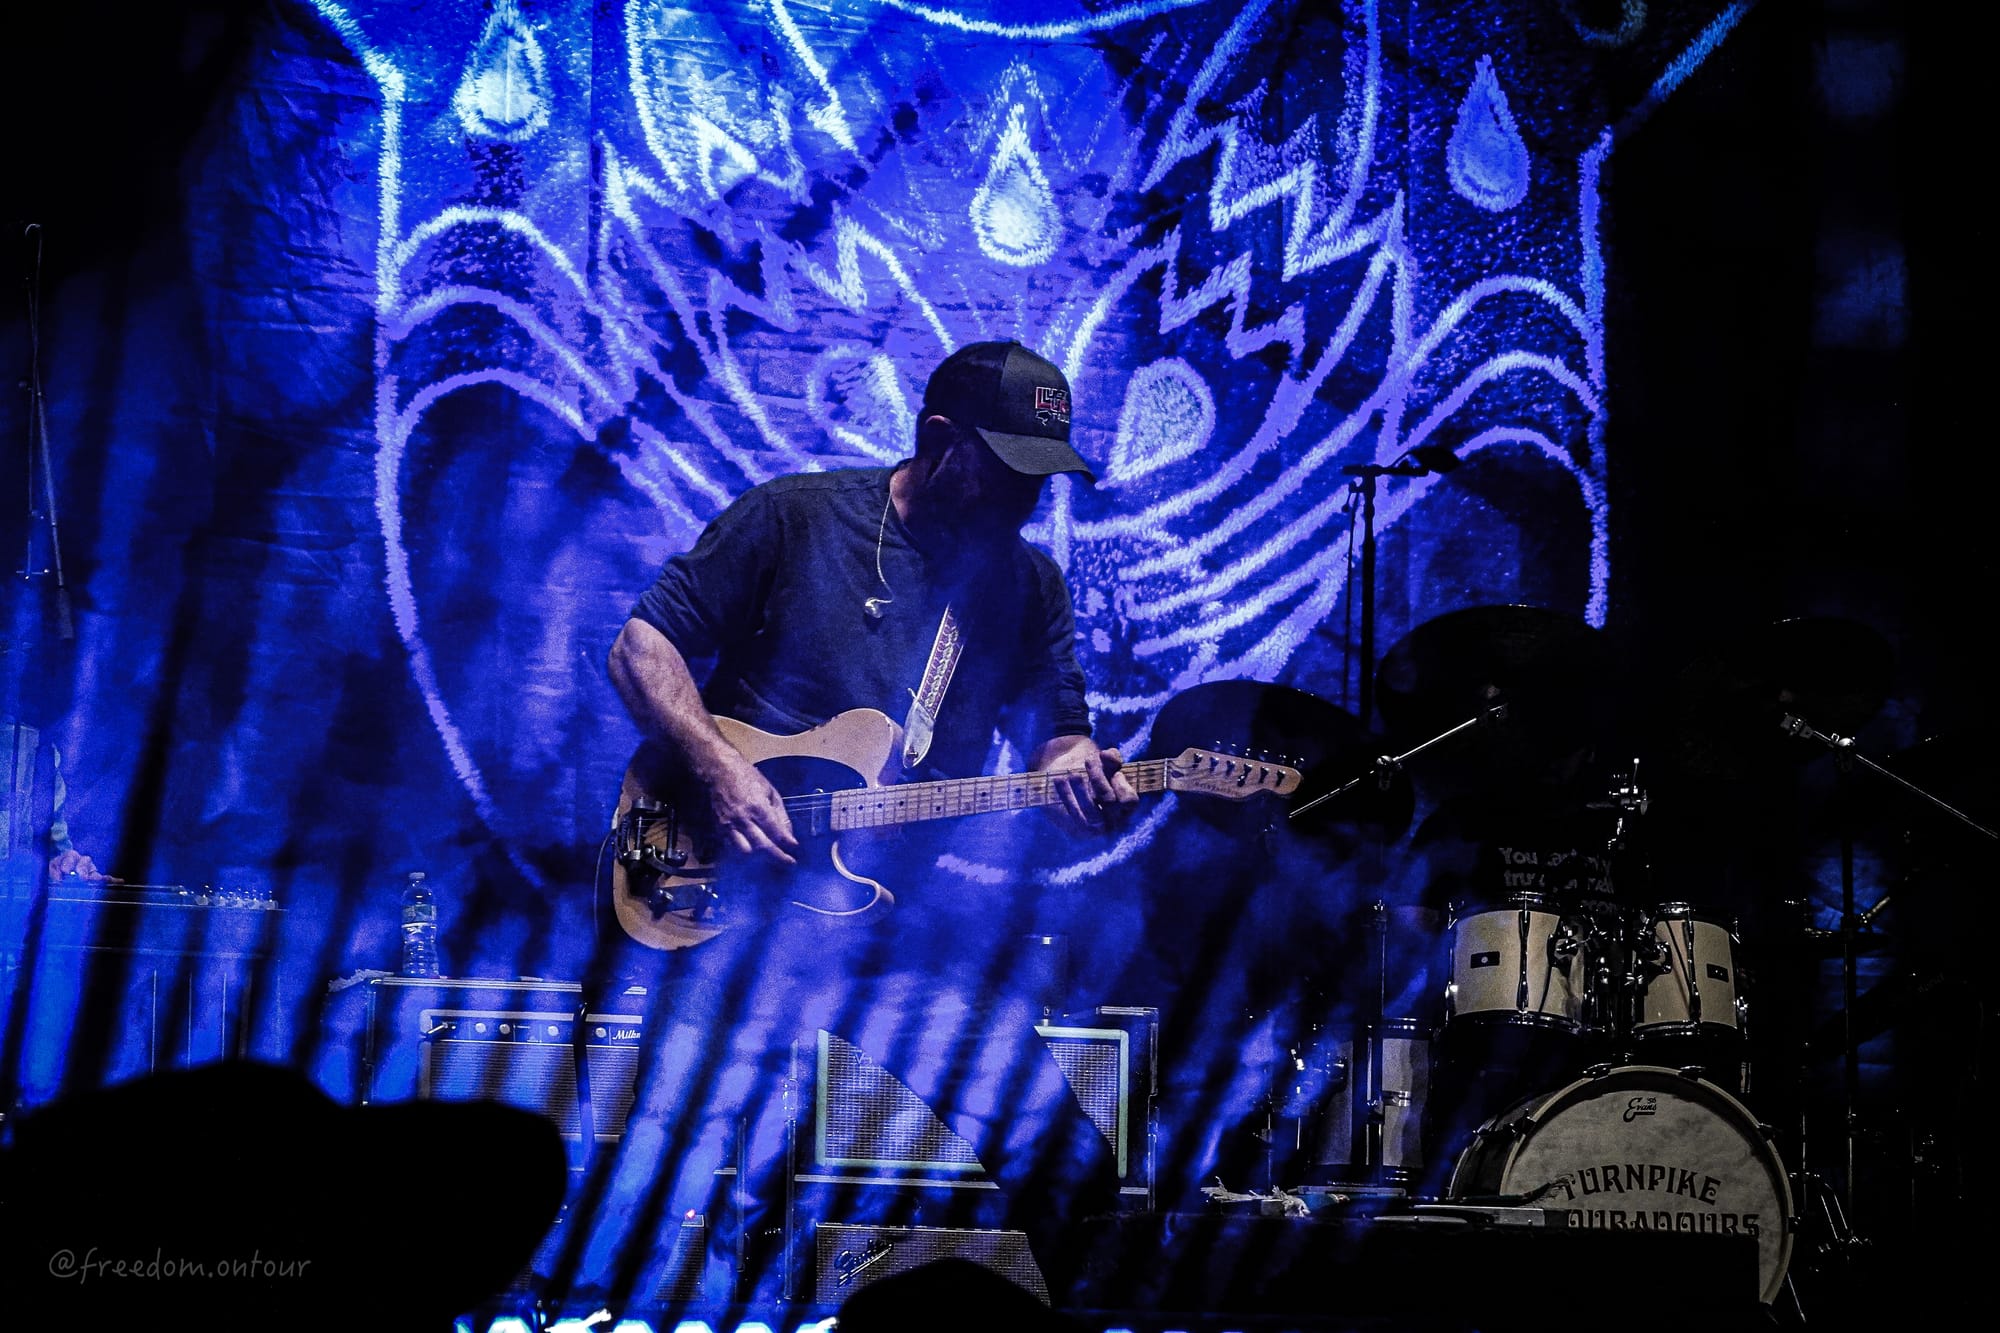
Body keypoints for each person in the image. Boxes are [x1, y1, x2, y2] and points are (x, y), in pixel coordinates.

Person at [574, 341, 1139, 1310]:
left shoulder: (1026, 585)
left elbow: (1057, 738)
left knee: (1049, 1136)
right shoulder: (797, 518)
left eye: (1043, 475)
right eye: (1008, 469)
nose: (1027, 496)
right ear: (938, 440)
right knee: (685, 1173)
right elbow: (640, 647)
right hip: (728, 902)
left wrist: (1078, 779)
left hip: (890, 931)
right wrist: (721, 771)